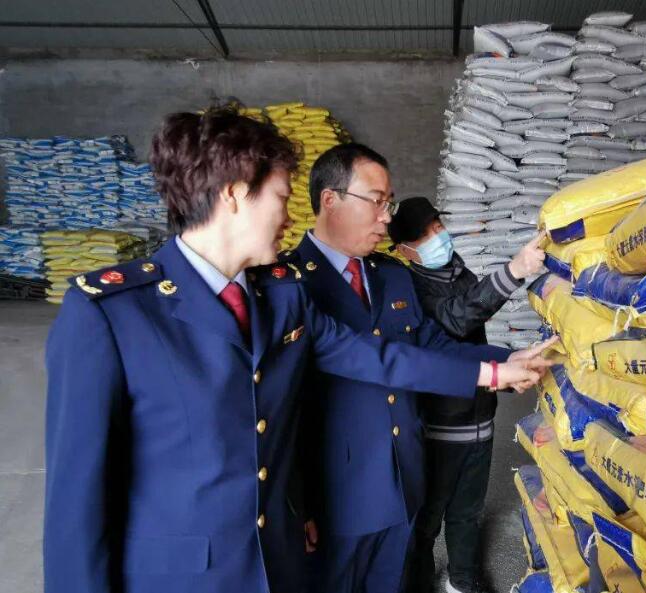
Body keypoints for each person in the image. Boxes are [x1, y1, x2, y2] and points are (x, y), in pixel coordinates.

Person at [43, 105, 549, 593]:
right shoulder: (113, 313)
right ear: (235, 193)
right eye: (281, 197)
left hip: (278, 561)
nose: (289, 217)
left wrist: (494, 370)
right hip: (186, 576)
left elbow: (375, 355)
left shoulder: (280, 296)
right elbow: (76, 505)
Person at [290, 143, 551, 593]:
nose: (386, 218)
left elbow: (431, 344)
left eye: (388, 204)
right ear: (330, 199)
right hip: (336, 495)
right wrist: (294, 504)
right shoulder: (290, 285)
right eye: (376, 201)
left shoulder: (390, 275)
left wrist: (504, 359)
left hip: (405, 479)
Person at [388, 197, 545, 593]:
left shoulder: (461, 272)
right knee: (427, 517)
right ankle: (419, 583)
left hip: (480, 416)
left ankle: (461, 580)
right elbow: (456, 321)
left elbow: (473, 336)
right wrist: (513, 271)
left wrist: (507, 367)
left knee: (468, 511)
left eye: (437, 226)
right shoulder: (410, 288)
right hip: (440, 425)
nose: (437, 237)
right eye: (424, 235)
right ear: (404, 251)